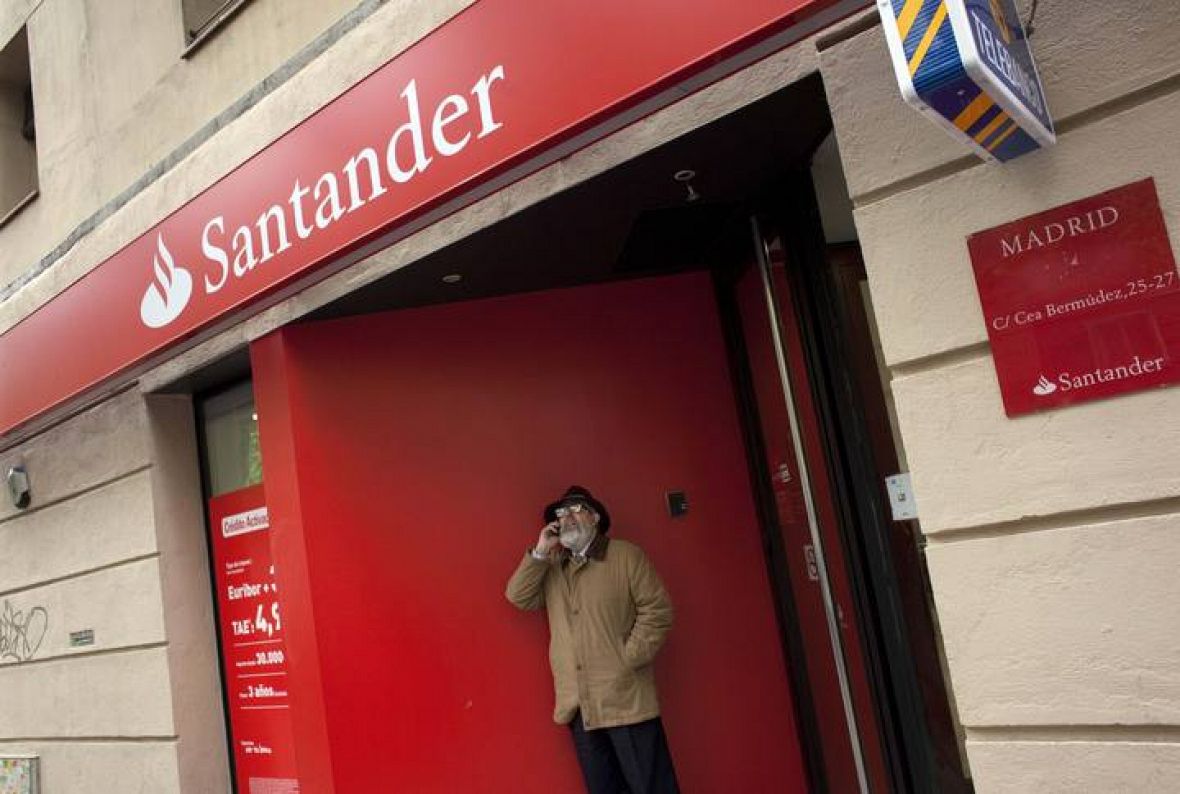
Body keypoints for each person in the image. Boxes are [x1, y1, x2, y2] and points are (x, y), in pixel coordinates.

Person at [505, 485, 680, 794]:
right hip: (580, 706)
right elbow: (519, 597)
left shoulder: (626, 555)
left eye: (575, 509)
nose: (567, 517)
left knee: (652, 787)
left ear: (595, 517)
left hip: (625, 699)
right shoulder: (553, 564)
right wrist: (541, 551)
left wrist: (627, 660)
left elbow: (658, 611)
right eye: (561, 513)